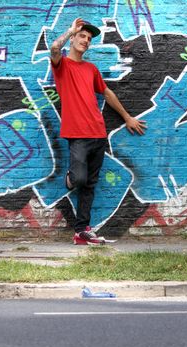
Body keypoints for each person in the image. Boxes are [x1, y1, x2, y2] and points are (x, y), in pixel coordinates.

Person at [50, 18, 147, 245]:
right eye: (82, 36)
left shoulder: (91, 69)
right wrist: (70, 30)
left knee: (90, 185)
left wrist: (127, 117)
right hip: (77, 134)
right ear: (73, 39)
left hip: (98, 133)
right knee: (79, 179)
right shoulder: (62, 65)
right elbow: (55, 48)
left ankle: (81, 231)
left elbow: (107, 93)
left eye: (89, 39)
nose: (85, 40)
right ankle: (70, 179)